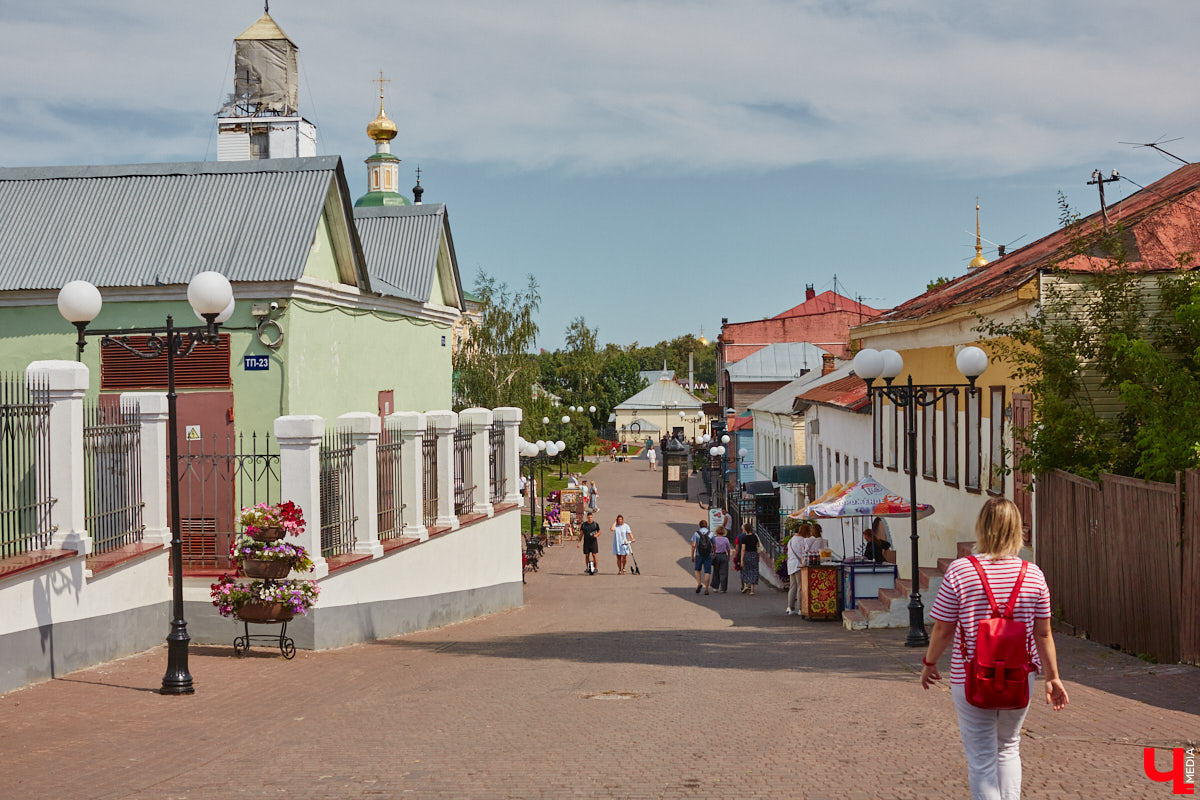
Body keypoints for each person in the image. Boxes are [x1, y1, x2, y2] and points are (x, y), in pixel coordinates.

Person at [921, 497, 1069, 800]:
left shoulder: (960, 571)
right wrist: (1053, 677)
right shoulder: (1033, 574)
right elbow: (1043, 633)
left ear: (982, 528)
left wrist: (930, 662)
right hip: (1019, 675)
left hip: (971, 676)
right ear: (1017, 531)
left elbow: (943, 627)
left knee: (981, 757)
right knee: (1008, 748)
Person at [785, 525, 810, 614]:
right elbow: (806, 552)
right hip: (799, 565)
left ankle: (790, 607)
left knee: (792, 586)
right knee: (800, 587)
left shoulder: (791, 540)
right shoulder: (803, 540)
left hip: (791, 565)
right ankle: (800, 608)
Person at [690, 520, 714, 594]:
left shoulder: (696, 533)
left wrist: (692, 555)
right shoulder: (711, 533)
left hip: (698, 554)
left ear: (699, 525)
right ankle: (706, 589)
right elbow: (714, 545)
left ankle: (699, 583)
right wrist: (714, 553)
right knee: (707, 572)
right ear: (707, 525)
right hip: (708, 554)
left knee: (697, 569)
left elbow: (693, 545)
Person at [736, 522, 760, 594]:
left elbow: (743, 549)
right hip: (754, 554)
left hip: (747, 554)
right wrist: (758, 556)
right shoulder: (755, 536)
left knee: (745, 570)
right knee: (754, 570)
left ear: (745, 530)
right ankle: (752, 590)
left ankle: (746, 585)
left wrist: (741, 560)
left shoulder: (744, 538)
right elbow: (758, 546)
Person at [711, 525, 732, 592]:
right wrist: (728, 556)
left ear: (716, 532)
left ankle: (715, 587)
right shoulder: (726, 539)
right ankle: (723, 588)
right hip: (723, 555)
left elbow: (712, 548)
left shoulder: (714, 539)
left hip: (716, 556)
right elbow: (728, 549)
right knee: (724, 573)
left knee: (716, 571)